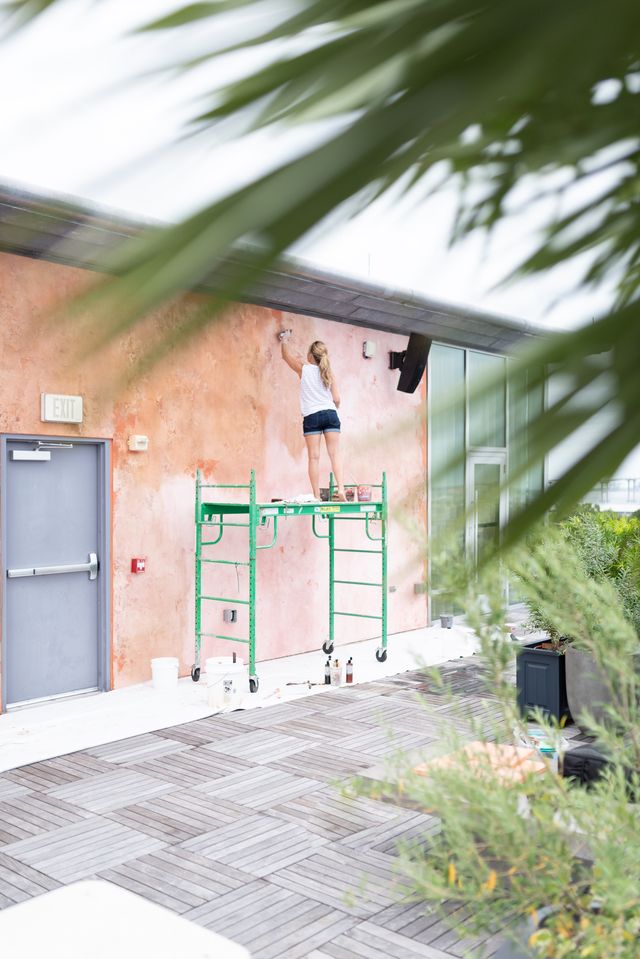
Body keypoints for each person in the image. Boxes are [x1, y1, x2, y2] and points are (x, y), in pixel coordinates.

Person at [278, 331, 346, 501]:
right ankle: (341, 489)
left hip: (312, 416)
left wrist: (284, 340)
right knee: (335, 454)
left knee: (314, 457)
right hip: (330, 414)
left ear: (310, 355)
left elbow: (286, 357)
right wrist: (332, 407)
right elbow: (337, 398)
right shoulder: (329, 373)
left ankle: (316, 495)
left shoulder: (304, 368)